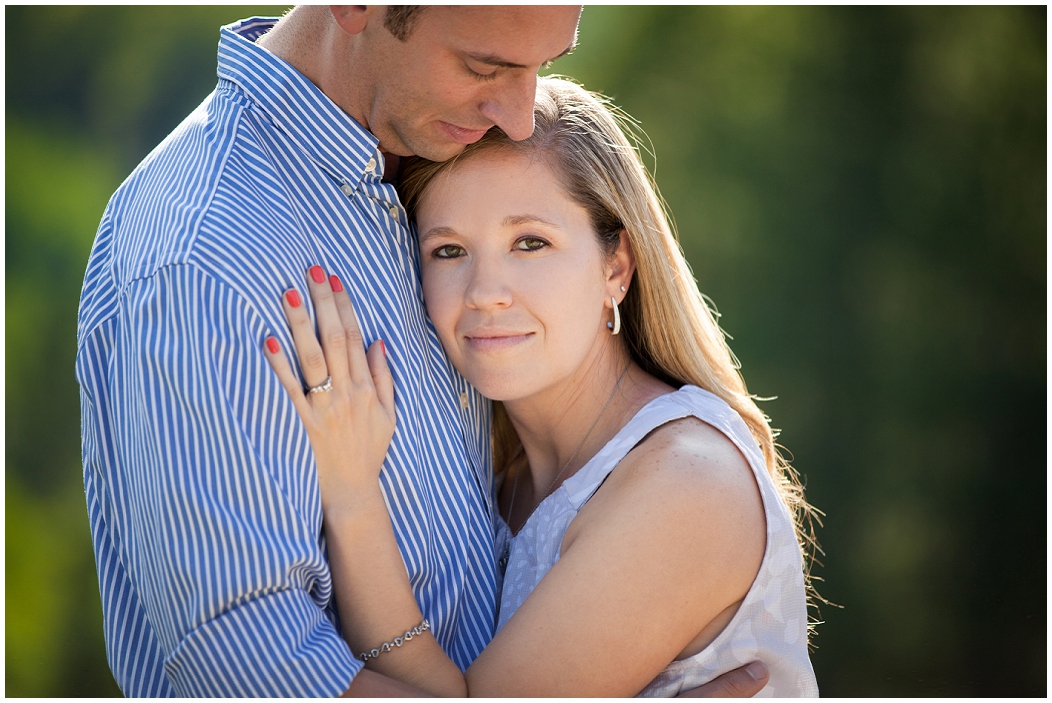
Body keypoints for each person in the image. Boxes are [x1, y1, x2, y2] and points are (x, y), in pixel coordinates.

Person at [75, 7, 767, 697]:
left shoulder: (423, 160)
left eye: (542, 66)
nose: (521, 116)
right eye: (484, 66)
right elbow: (239, 655)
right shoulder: (207, 255)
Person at [264, 77, 820, 696]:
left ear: (616, 267)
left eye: (531, 242)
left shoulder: (687, 481)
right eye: (448, 251)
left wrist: (350, 495)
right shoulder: (495, 482)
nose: (485, 292)